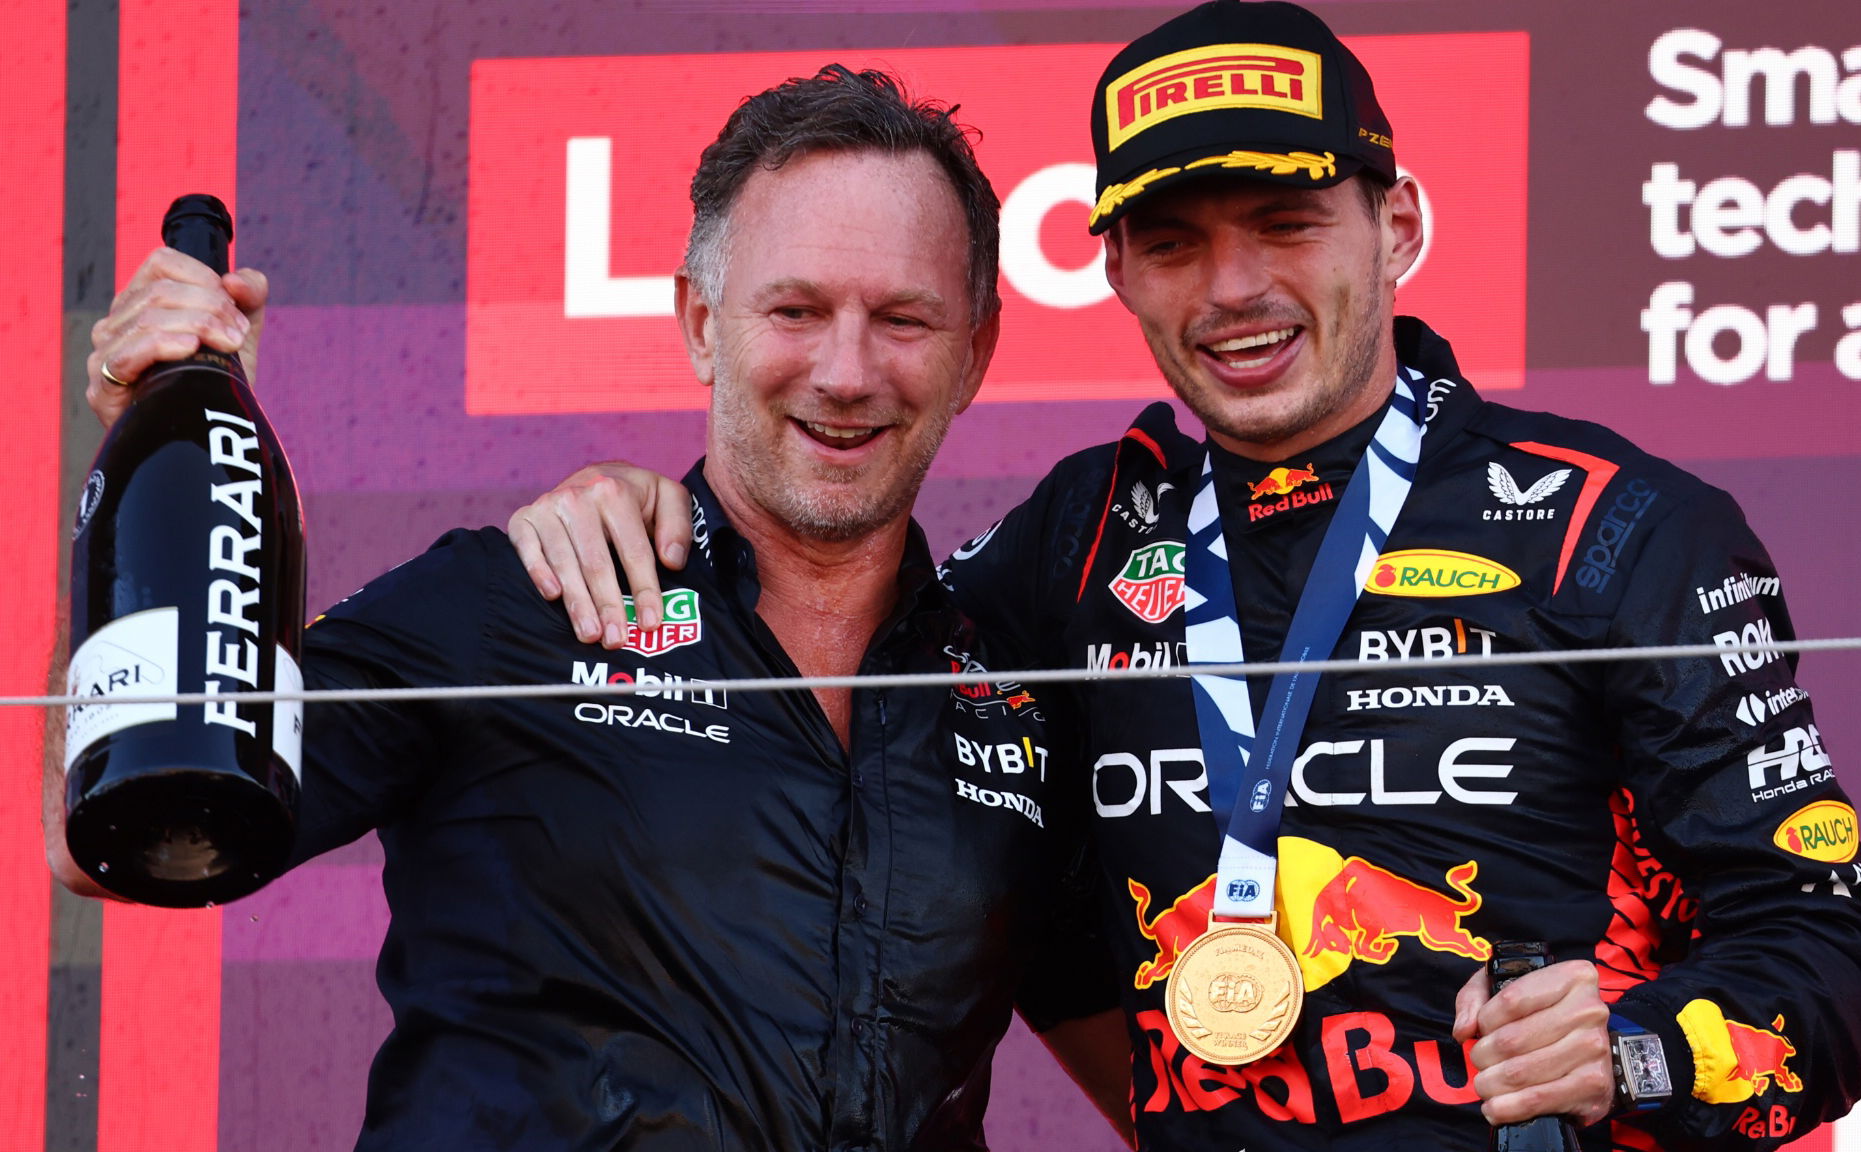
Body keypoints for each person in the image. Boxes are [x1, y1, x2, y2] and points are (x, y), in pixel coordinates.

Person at [512, 5, 1861, 1149]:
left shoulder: (1618, 528)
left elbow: (1836, 953)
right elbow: (843, 697)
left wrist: (1638, 1053)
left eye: (1286, 222)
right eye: (1175, 242)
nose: (1230, 287)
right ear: (1113, 266)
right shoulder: (1084, 538)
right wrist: (653, 516)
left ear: (1399, 224)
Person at [49, 66, 1133, 1151]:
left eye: (902, 318)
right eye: (794, 310)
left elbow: (1168, 1089)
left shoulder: (1010, 702)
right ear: (701, 323)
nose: (845, 371)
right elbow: (89, 835)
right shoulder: (513, 602)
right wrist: (144, 454)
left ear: (975, 352)